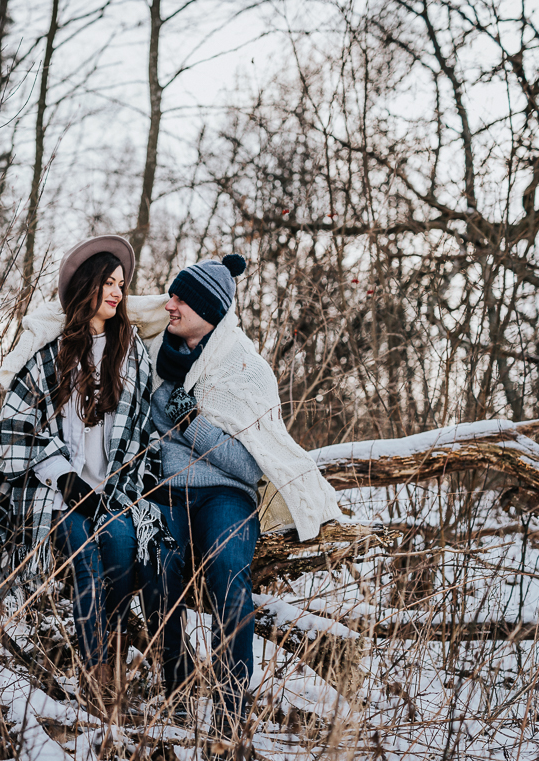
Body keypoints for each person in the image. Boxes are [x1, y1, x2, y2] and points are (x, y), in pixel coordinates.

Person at [0, 235, 169, 718]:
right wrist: (66, 479)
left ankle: (111, 670)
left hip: (116, 493)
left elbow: (148, 434)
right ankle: (96, 689)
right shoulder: (52, 354)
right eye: (108, 282)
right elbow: (15, 428)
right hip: (58, 492)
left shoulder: (133, 357)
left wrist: (123, 490)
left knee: (122, 561)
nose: (116, 292)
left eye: (122, 285)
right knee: (85, 562)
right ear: (87, 285)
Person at [139, 254, 344, 736]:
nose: (170, 305)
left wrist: (189, 422)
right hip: (163, 492)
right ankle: (176, 688)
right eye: (171, 295)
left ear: (209, 308)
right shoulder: (152, 352)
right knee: (156, 570)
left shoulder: (248, 371)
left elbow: (248, 465)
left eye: (181, 298)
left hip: (226, 496)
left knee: (228, 573)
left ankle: (231, 709)